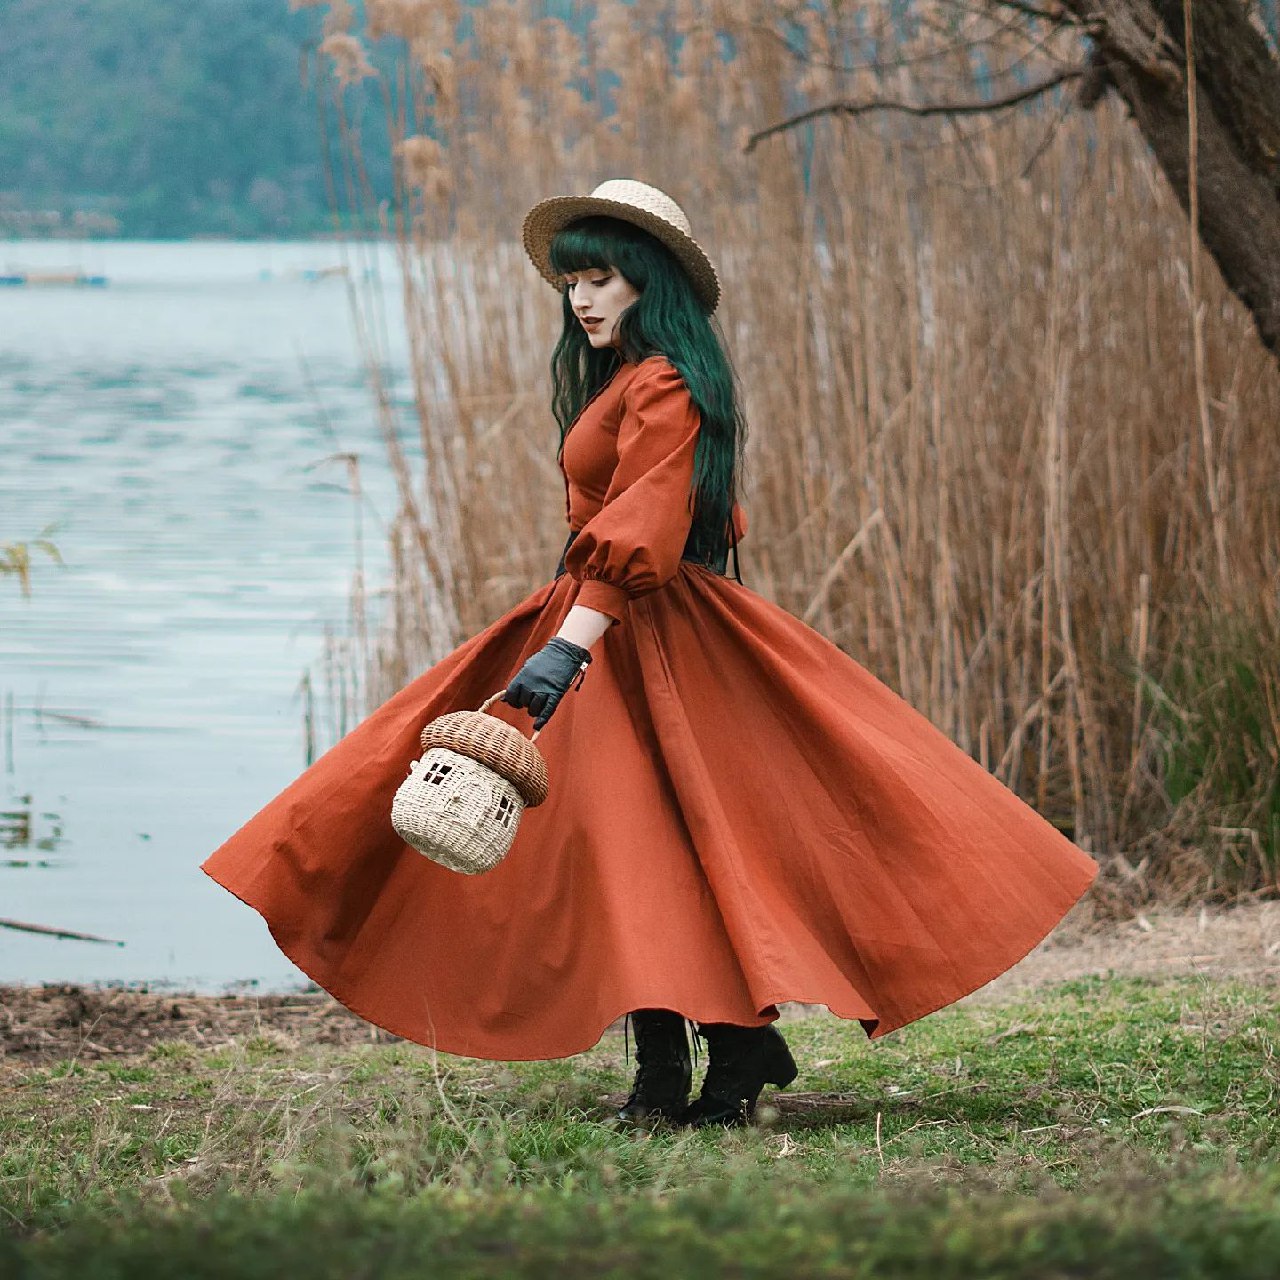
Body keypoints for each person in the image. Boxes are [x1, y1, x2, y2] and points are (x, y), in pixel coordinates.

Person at [201, 178, 1098, 1130]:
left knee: (654, 852)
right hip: (604, 628)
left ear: (650, 283)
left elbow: (648, 525)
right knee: (627, 857)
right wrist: (567, 635)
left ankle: (717, 1060)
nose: (581, 297)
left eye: (602, 278)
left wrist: (565, 654)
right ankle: (691, 1063)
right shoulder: (625, 379)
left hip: (643, 638)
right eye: (571, 280)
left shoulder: (666, 382)